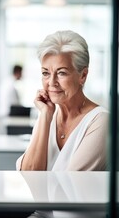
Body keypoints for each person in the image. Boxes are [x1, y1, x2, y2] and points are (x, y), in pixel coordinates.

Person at [16, 30, 109, 218]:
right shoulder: (48, 114)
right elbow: (30, 177)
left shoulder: (102, 121)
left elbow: (67, 191)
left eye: (62, 73)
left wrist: (39, 183)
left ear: (83, 76)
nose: (51, 83)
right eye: (45, 73)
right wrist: (45, 115)